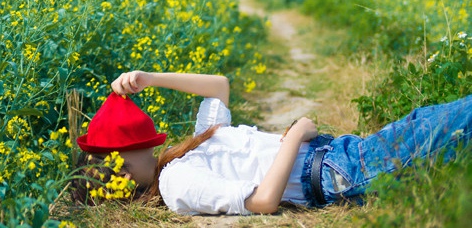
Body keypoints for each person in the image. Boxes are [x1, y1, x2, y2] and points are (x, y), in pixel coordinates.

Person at [71, 70, 471, 215]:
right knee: (453, 122)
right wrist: (295, 135)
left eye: (118, 154)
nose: (119, 162)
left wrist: (149, 77)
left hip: (343, 157)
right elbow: (262, 201)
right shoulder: (177, 184)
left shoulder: (187, 152)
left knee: (445, 127)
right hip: (341, 173)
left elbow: (219, 87)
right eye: (114, 165)